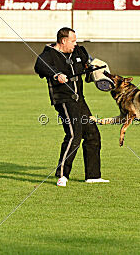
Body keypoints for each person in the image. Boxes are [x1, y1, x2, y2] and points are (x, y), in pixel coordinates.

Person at [34, 27, 109, 187]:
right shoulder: (48, 55)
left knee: (92, 134)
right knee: (74, 134)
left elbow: (89, 65)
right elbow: (40, 66)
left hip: (79, 100)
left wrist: (98, 71)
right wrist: (56, 74)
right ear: (63, 41)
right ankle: (62, 175)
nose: (75, 44)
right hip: (64, 100)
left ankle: (93, 176)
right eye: (73, 41)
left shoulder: (79, 52)